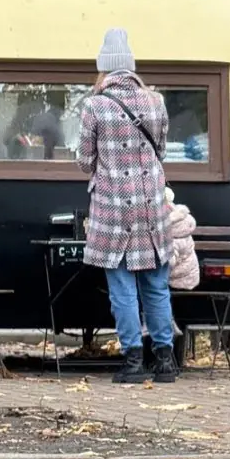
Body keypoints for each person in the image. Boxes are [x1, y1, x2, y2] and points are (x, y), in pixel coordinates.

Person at [77, 28, 178, 385]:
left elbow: (84, 159)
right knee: (156, 285)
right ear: (131, 66)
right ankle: (165, 361)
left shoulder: (95, 105)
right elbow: (161, 150)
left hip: (113, 209)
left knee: (122, 288)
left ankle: (133, 361)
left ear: (104, 68)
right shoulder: (156, 102)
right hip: (152, 206)